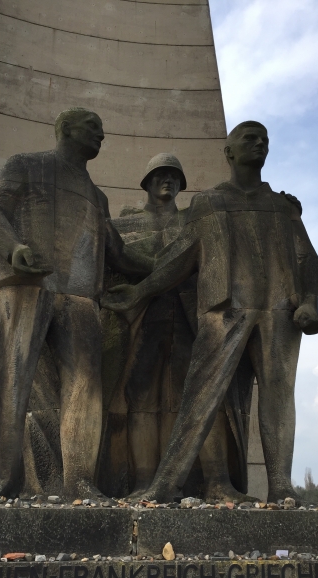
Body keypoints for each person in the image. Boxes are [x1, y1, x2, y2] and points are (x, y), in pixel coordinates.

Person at [102, 121, 318, 503]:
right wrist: (139, 292)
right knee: (201, 394)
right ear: (229, 151)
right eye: (250, 138)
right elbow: (178, 260)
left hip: (280, 311)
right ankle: (166, 483)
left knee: (278, 395)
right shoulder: (209, 203)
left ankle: (281, 486)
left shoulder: (282, 206)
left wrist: (310, 301)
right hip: (224, 309)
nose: (259, 143)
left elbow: (308, 258)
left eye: (264, 139)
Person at [0, 107, 152, 501]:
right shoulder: (26, 164)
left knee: (85, 385)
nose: (101, 135)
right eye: (93, 127)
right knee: (14, 375)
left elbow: (119, 254)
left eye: (102, 130)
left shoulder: (97, 196)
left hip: (80, 296)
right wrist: (13, 248)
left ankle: (79, 482)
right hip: (26, 283)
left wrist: (171, 264)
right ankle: (6, 482)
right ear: (65, 129)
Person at [102, 153, 255, 501]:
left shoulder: (194, 219)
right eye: (160, 175)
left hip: (190, 319)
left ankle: (217, 482)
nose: (168, 181)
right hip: (143, 318)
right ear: (147, 181)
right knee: (140, 397)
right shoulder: (126, 223)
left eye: (174, 176)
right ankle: (142, 483)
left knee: (205, 395)